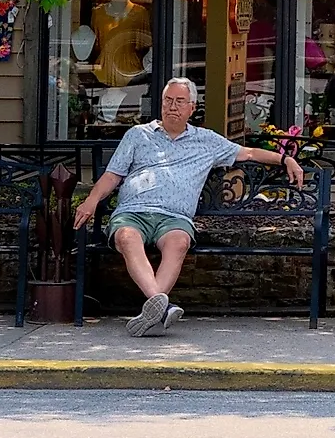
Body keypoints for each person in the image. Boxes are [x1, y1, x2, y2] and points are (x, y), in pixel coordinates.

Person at [72, 76, 303, 336]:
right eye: (168, 101)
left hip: (174, 217)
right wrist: (91, 200)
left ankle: (154, 308)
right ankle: (161, 305)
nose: (172, 106)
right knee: (126, 237)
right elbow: (113, 174)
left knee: (179, 242)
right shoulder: (138, 135)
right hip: (133, 212)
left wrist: (285, 159)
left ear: (192, 108)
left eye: (179, 101)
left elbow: (248, 153)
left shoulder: (206, 141)